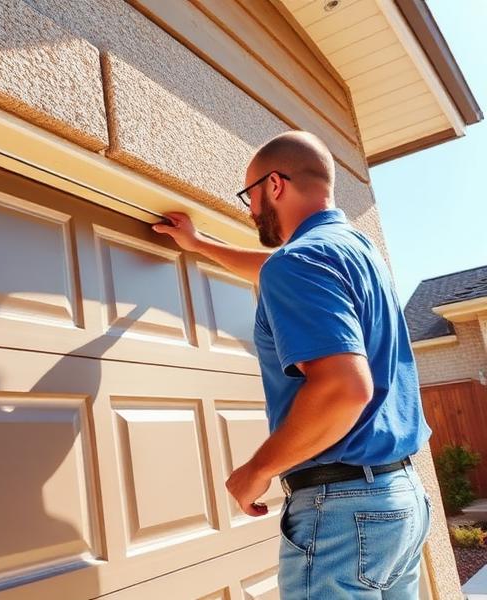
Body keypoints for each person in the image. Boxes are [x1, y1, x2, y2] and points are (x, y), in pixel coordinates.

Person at [152, 131, 432, 599]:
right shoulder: (359, 252)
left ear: (275, 185)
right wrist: (200, 245)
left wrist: (257, 470)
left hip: (343, 510)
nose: (250, 210)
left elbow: (344, 389)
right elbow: (275, 267)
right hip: (401, 499)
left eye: (249, 195)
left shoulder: (299, 263)